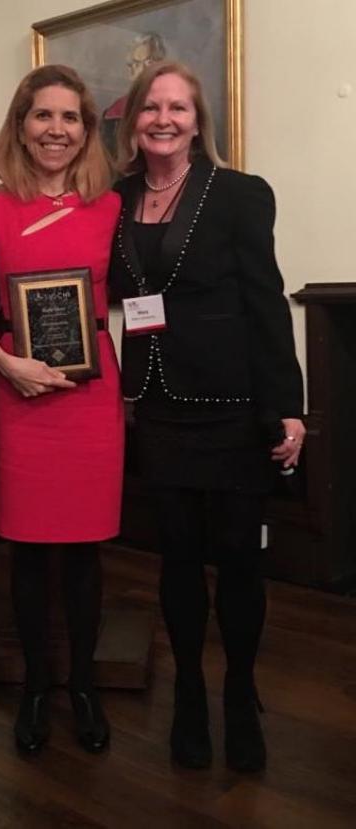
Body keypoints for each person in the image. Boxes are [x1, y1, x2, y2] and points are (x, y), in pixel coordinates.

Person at [109, 61, 305, 773]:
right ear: (133, 119)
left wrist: (288, 406)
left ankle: (239, 693)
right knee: (178, 561)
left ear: (198, 120)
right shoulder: (116, 198)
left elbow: (266, 299)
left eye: (178, 108)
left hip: (231, 409)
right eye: (151, 107)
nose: (163, 118)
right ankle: (190, 692)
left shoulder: (239, 194)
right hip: (156, 410)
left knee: (241, 566)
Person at [0, 65, 124, 754]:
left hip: (91, 398)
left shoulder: (110, 207)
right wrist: (8, 362)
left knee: (85, 554)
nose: (56, 130)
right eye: (42, 116)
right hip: (21, 397)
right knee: (27, 555)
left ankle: (81, 684)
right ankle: (34, 689)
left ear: (87, 131)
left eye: (70, 118)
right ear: (21, 126)